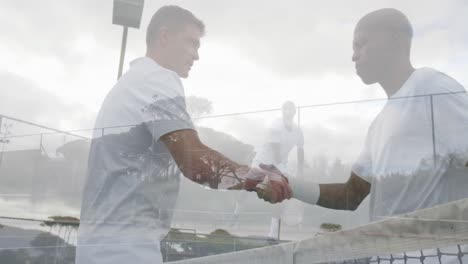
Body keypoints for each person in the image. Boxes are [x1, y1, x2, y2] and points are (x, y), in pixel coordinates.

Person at [75, 6, 291, 264]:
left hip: (99, 247)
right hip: (125, 251)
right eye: (191, 43)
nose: (197, 55)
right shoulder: (158, 78)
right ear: (164, 37)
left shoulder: (131, 81)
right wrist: (259, 179)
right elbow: (196, 163)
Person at [262, 8, 468, 263]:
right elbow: (351, 195)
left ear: (395, 40)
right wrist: (288, 184)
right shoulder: (379, 124)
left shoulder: (431, 85)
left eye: (361, 44)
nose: (353, 56)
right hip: (385, 258)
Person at [245, 101, 304, 241]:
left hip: (280, 164)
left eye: (291, 109)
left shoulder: (298, 130)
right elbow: (277, 155)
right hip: (263, 162)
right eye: (286, 109)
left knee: (279, 197)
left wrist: (300, 171)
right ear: (282, 111)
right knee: (247, 190)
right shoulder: (275, 126)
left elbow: (301, 150)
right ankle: (236, 213)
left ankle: (272, 235)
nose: (288, 112)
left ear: (294, 112)